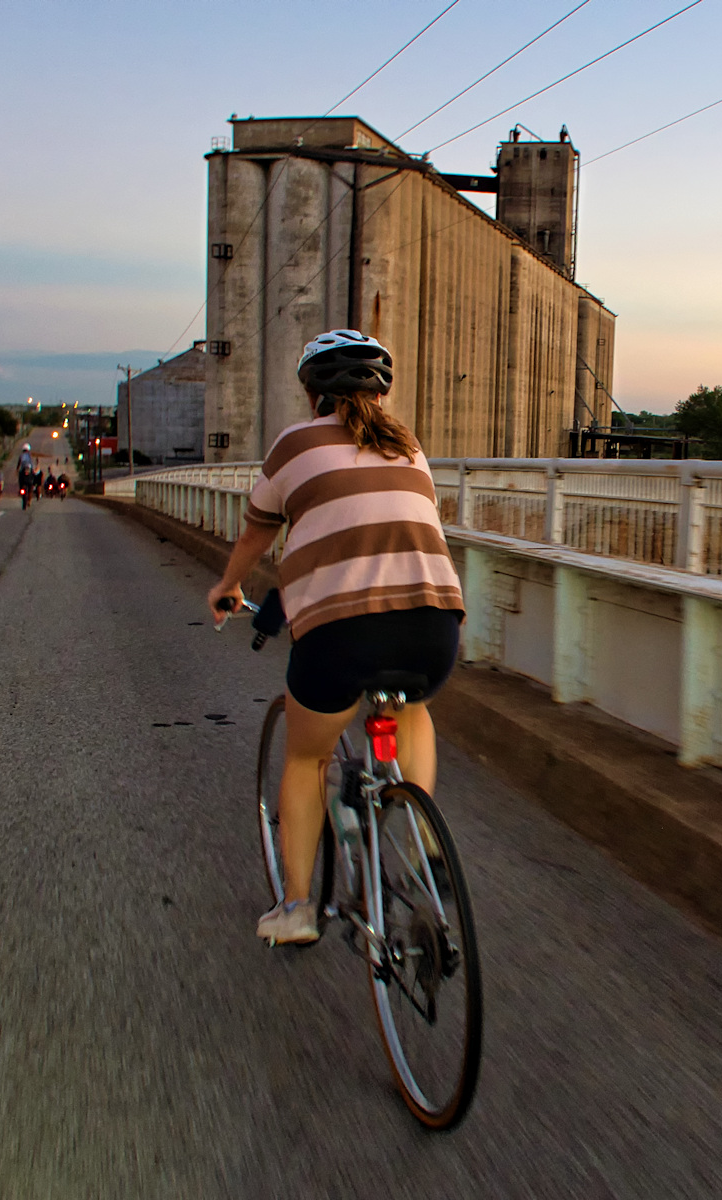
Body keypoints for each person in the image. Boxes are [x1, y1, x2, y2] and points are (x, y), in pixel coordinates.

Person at [206, 330, 464, 946]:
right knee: (413, 707)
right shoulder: (410, 448)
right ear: (381, 391)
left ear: (313, 393)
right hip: (433, 626)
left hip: (341, 634)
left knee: (306, 757)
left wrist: (227, 586)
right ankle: (425, 841)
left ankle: (297, 909)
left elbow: (256, 535)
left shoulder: (294, 444)